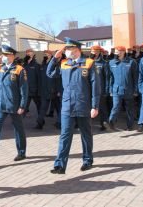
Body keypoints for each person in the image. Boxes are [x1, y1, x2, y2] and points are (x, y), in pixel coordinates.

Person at [47, 38, 100, 174]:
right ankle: (60, 165)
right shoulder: (64, 63)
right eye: (66, 49)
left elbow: (95, 87)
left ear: (77, 49)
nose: (66, 52)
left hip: (83, 105)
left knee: (86, 135)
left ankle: (87, 160)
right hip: (67, 106)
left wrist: (95, 106)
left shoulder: (89, 63)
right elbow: (49, 73)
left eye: (68, 49)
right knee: (65, 135)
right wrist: (55, 58)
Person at [108, 46, 138, 131]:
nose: (118, 53)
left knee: (129, 109)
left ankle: (130, 126)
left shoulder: (132, 62)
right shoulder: (111, 63)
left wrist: (135, 90)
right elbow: (110, 78)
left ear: (124, 52)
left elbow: (135, 77)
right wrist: (110, 90)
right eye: (117, 51)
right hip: (116, 89)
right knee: (116, 106)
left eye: (120, 51)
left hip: (129, 89)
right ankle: (111, 122)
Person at [38, 50, 62, 130]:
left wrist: (58, 90)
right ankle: (40, 123)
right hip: (44, 89)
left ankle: (60, 123)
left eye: (47, 53)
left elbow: (58, 78)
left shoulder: (54, 63)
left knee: (58, 107)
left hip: (53, 89)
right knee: (43, 107)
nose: (46, 55)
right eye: (45, 53)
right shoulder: (43, 63)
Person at [89, 45, 110, 131]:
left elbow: (107, 78)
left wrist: (106, 89)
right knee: (87, 108)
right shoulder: (87, 62)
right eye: (93, 51)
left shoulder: (104, 63)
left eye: (96, 51)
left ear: (99, 52)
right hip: (88, 89)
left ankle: (104, 124)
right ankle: (87, 125)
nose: (95, 53)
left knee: (102, 108)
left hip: (99, 90)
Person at [22, 49, 41, 128]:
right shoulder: (23, 65)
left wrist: (39, 90)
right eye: (28, 54)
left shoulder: (36, 65)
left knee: (39, 107)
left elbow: (39, 79)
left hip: (35, 90)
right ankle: (18, 123)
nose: (29, 56)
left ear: (33, 55)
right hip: (26, 91)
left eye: (31, 54)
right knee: (24, 107)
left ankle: (40, 123)